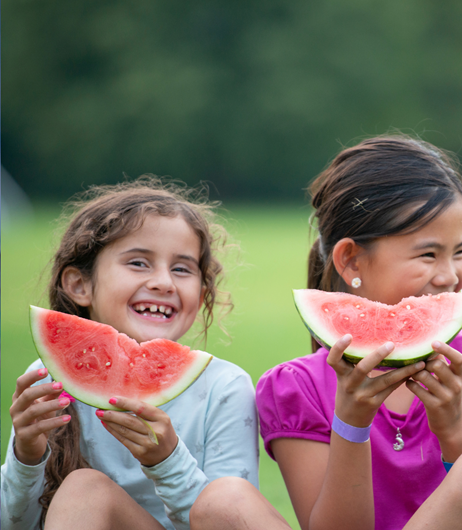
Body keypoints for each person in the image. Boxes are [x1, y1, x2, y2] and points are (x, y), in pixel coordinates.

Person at [190, 135, 462, 530]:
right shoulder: (296, 389)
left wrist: (454, 429)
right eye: (428, 254)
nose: (450, 275)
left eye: (460, 252)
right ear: (351, 261)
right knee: (223, 501)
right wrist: (351, 425)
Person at [1, 177, 268, 530]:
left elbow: (232, 519)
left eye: (182, 269)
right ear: (80, 285)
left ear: (202, 294)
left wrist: (167, 460)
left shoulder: (224, 386)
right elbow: (15, 524)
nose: (164, 282)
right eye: (139, 263)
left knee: (228, 495)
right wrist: (28, 456)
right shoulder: (50, 379)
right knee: (84, 488)